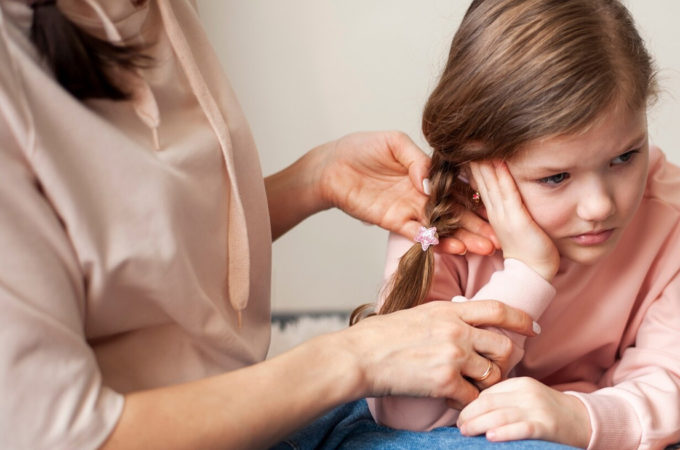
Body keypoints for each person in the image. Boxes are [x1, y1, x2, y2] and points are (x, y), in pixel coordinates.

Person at [0, 0, 544, 448]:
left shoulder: (160, 14)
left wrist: (312, 180)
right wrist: (357, 356)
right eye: (557, 177)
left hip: (260, 413)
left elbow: (128, 258)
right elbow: (62, 434)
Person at [319, 0, 680, 449]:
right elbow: (406, 415)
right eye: (555, 177)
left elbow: (678, 380)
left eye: (625, 157)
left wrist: (579, 417)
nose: (599, 206)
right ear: (477, 165)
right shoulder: (436, 221)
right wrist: (527, 274)